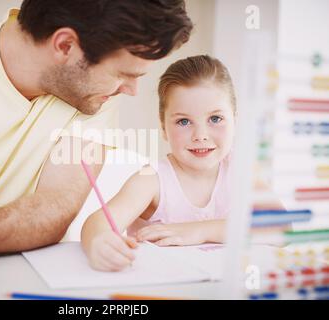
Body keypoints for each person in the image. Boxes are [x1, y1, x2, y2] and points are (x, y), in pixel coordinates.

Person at [0, 0, 193, 279]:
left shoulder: (95, 96)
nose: (131, 90)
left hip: (0, 280)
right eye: (125, 74)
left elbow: (55, 208)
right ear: (66, 45)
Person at [81, 55, 238, 272]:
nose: (201, 135)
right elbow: (98, 223)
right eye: (184, 121)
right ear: (163, 127)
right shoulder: (151, 180)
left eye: (215, 119)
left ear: (235, 119)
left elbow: (281, 228)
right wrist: (99, 242)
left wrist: (198, 231)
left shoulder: (240, 169)